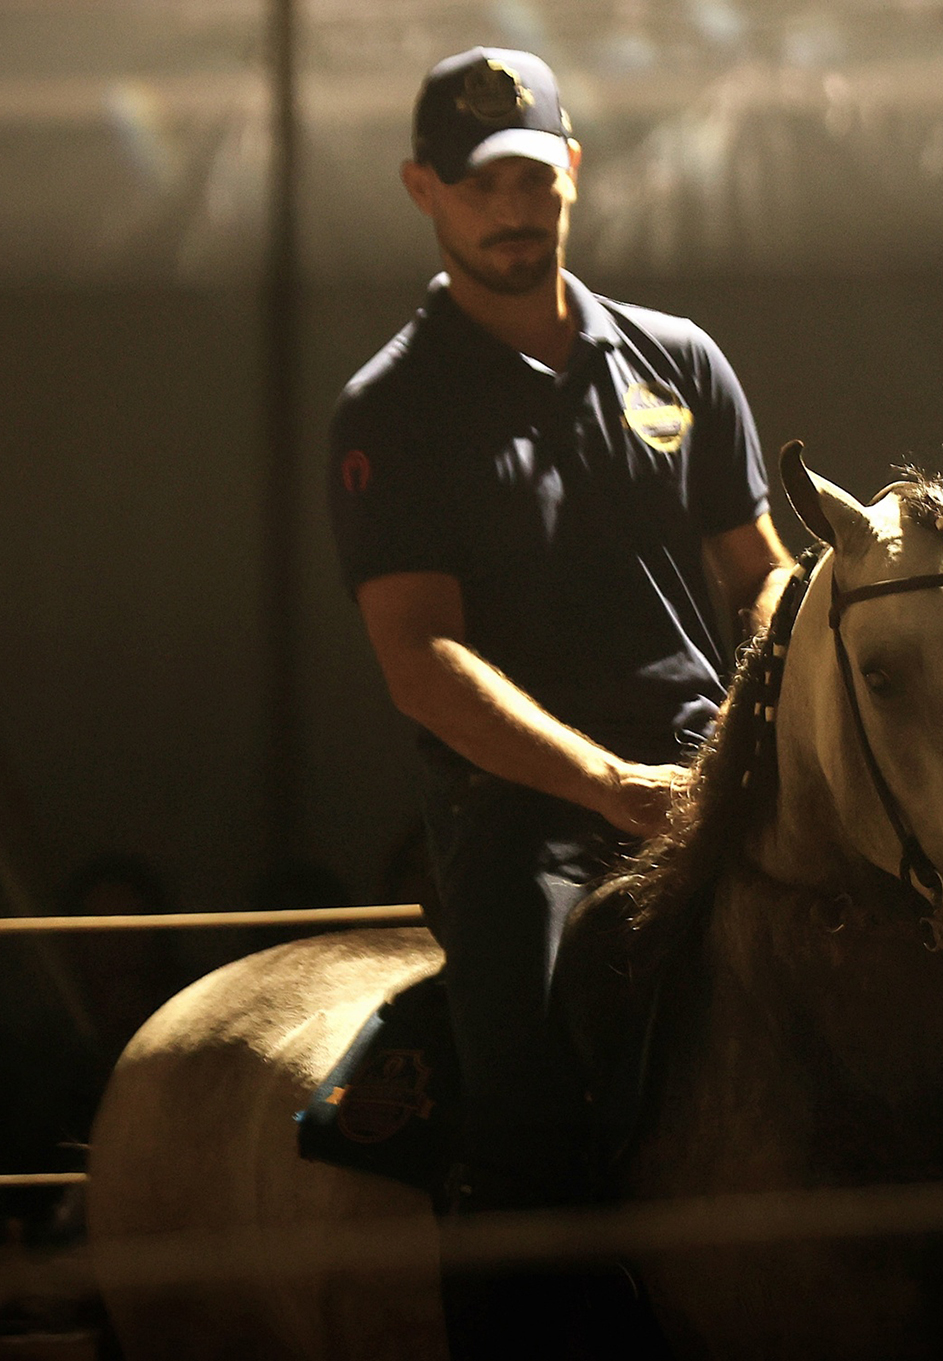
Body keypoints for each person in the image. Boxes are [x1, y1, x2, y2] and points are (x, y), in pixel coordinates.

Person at [326, 47, 790, 1357]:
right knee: (529, 1105)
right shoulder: (392, 409)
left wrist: (778, 697)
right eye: (480, 184)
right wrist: (613, 787)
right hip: (525, 819)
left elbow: (760, 576)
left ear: (573, 172)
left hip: (709, 781)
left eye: (532, 178)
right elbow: (421, 660)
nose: (512, 209)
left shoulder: (679, 361)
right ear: (423, 189)